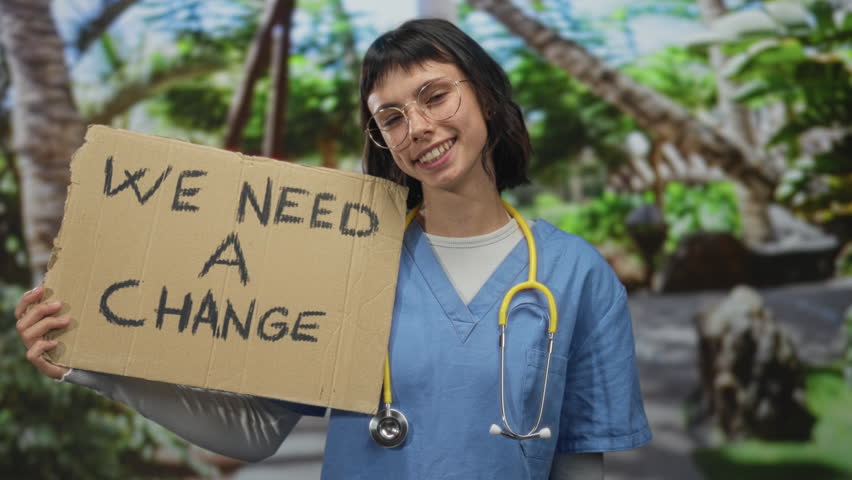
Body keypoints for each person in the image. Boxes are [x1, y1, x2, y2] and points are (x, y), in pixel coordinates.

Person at [14, 18, 650, 479]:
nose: (419, 128)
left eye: (435, 95)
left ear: (484, 93)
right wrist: (92, 365)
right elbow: (255, 431)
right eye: (391, 117)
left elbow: (574, 458)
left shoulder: (578, 276)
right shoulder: (350, 262)